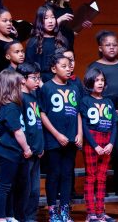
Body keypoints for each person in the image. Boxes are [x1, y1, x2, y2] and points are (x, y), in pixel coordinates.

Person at [86, 30, 118, 197]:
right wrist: (110, 113)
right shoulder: (95, 67)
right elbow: (90, 92)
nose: (112, 48)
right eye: (108, 45)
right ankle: (99, 186)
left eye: (115, 45)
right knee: (103, 150)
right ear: (100, 48)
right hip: (102, 115)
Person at [40, 52, 83, 222]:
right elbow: (42, 113)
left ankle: (65, 210)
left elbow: (78, 112)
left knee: (67, 175)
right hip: (54, 140)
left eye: (69, 65)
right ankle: (52, 211)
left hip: (71, 140)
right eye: (63, 66)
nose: (68, 68)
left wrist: (79, 133)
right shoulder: (47, 88)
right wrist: (57, 135)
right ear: (53, 68)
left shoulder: (74, 88)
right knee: (54, 175)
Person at [0, 70, 31, 222]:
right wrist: (27, 148)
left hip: (15, 153)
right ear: (11, 87)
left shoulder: (12, 105)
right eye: (19, 85)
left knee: (13, 186)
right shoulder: (10, 107)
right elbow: (18, 132)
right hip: (8, 153)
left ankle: (9, 215)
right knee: (5, 187)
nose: (23, 87)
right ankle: (0, 217)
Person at [81, 68, 118, 222]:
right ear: (90, 82)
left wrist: (111, 143)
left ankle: (100, 212)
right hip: (92, 141)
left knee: (102, 178)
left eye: (102, 80)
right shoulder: (85, 101)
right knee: (91, 177)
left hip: (107, 140)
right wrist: (94, 144)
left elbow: (114, 125)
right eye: (97, 80)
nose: (100, 83)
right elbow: (83, 125)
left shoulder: (108, 102)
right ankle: (91, 213)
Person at [15, 62, 45, 222]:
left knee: (34, 189)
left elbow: (37, 124)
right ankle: (21, 217)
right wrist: (27, 147)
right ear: (22, 79)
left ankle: (30, 217)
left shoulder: (34, 97)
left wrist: (40, 146)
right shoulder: (19, 98)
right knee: (24, 188)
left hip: (37, 150)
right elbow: (20, 127)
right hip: (26, 152)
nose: (37, 81)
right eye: (34, 78)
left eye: (39, 78)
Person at [26, 5, 61, 82]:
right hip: (40, 82)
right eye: (46, 18)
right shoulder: (33, 42)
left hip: (59, 80)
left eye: (52, 17)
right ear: (39, 20)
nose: (50, 21)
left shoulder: (62, 40)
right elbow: (29, 66)